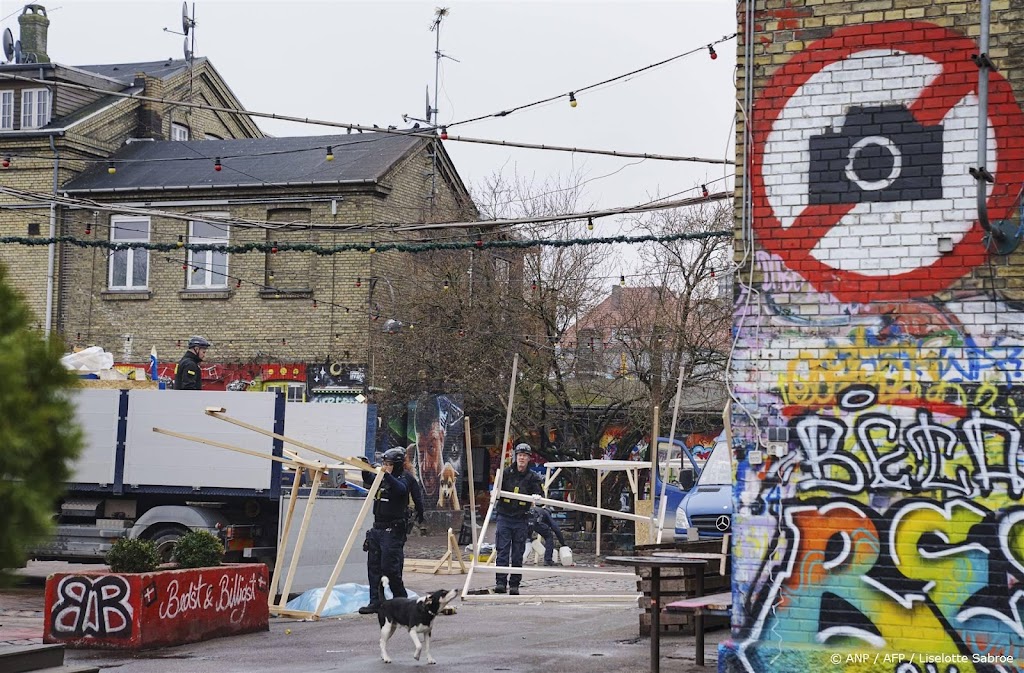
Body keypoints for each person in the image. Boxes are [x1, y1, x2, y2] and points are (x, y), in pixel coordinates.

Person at [358, 447, 416, 614]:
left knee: (390, 568)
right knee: (374, 568)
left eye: (389, 464)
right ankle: (376, 602)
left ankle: (402, 600)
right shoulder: (383, 477)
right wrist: (365, 468)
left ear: (396, 465)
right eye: (384, 463)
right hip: (378, 528)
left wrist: (386, 474)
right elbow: (369, 479)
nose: (385, 466)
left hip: (393, 529)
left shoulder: (404, 478)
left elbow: (401, 490)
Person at [493, 443, 543, 595]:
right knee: (502, 551)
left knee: (517, 553)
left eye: (525, 456)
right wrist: (495, 493)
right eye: (520, 455)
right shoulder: (506, 473)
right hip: (505, 516)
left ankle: (514, 584)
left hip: (521, 518)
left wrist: (537, 497)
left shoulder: (533, 477)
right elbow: (496, 490)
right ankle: (500, 583)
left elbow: (540, 496)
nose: (522, 458)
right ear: (516, 456)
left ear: (529, 458)